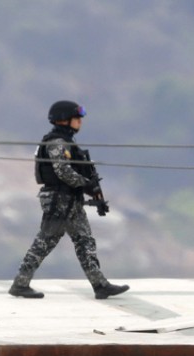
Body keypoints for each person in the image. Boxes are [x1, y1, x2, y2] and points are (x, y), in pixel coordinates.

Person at [9, 100, 129, 300]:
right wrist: (86, 184)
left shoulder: (66, 142)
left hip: (69, 200)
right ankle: (20, 283)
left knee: (84, 241)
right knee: (46, 241)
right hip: (60, 200)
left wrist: (90, 187)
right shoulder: (57, 143)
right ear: (64, 120)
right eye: (76, 118)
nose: (80, 122)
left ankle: (100, 284)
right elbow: (63, 171)